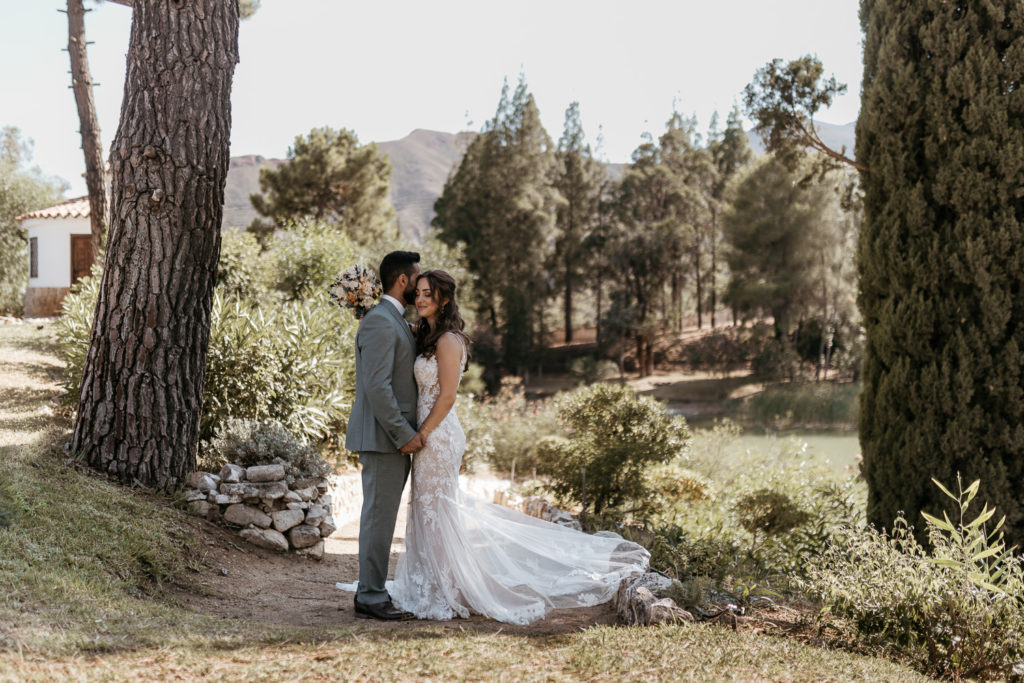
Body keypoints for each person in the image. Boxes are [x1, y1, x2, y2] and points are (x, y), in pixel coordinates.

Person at [387, 269, 650, 625]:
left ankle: (445, 588)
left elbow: (447, 397)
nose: (419, 299)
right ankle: (433, 583)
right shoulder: (427, 336)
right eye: (417, 293)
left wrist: (421, 434)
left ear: (444, 300)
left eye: (428, 294)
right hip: (428, 435)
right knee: (428, 510)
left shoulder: (449, 341)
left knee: (436, 511)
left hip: (438, 435)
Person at [344, 251, 422, 621]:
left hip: (390, 438)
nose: (419, 286)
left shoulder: (394, 319)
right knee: (378, 518)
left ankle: (373, 590)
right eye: (416, 278)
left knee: (383, 517)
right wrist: (403, 433)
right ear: (403, 280)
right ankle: (371, 596)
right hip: (383, 437)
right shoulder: (379, 321)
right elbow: (377, 387)